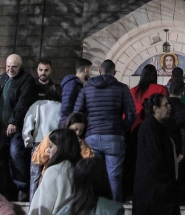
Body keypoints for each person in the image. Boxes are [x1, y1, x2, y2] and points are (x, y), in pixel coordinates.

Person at [133, 94, 181, 215]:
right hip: (155, 191)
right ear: (155, 108)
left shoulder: (157, 126)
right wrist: (166, 183)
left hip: (159, 190)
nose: (169, 107)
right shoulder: (151, 127)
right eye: (165, 105)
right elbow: (155, 159)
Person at [73, 59, 136, 201]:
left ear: (100, 71)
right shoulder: (121, 88)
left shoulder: (87, 88)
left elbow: (77, 113)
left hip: (91, 136)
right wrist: (122, 129)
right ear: (114, 73)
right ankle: (114, 212)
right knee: (114, 177)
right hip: (114, 136)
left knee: (93, 176)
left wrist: (84, 132)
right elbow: (131, 114)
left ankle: (92, 209)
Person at [0, 53, 36, 198]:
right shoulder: (4, 78)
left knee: (16, 155)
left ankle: (21, 189)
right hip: (1, 126)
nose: (10, 69)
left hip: (16, 127)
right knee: (3, 157)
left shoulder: (26, 80)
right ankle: (6, 189)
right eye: (8, 66)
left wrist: (13, 121)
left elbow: (22, 103)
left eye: (13, 67)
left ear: (20, 66)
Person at [126, 64, 168, 197]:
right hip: (153, 129)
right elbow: (165, 110)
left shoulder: (133, 90)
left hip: (135, 129)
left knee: (135, 161)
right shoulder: (160, 89)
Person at [23, 91, 63, 200]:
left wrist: (28, 140)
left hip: (38, 142)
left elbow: (28, 121)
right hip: (55, 144)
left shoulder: (38, 104)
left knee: (35, 177)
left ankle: (33, 205)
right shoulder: (61, 107)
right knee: (50, 176)